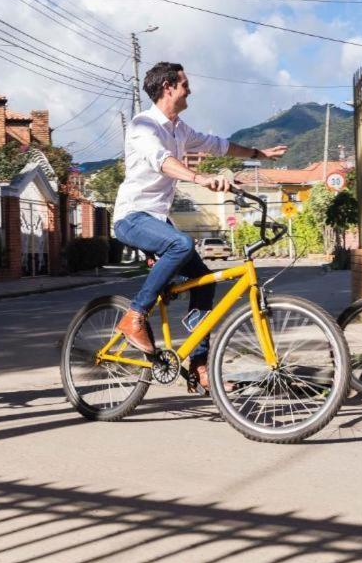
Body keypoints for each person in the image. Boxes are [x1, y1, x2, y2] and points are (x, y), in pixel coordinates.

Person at [112, 62, 287, 390]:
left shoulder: (180, 129)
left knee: (204, 282)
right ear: (168, 87)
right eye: (184, 84)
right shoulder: (143, 125)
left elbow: (217, 144)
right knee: (181, 244)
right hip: (132, 217)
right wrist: (200, 178)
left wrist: (258, 153)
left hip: (157, 220)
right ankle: (133, 317)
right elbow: (162, 162)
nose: (189, 89)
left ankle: (200, 367)